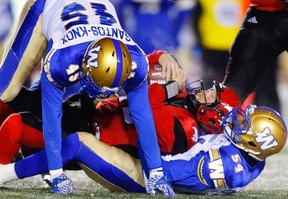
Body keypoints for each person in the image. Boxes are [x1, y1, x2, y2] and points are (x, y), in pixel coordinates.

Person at [0, 0, 175, 196]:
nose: (105, 94)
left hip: (91, 3)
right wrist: (56, 172)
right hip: (48, 6)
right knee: (6, 91)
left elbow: (143, 116)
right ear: (85, 66)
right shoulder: (61, 61)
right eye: (100, 84)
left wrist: (155, 171)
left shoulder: (136, 63)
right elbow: (52, 115)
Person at [0, 105, 286, 195]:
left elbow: (162, 172)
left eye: (243, 124)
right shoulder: (252, 157)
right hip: (164, 168)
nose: (236, 121)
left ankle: (6, 173)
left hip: (145, 176)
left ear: (251, 142)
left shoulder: (220, 164)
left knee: (79, 142)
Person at [169, 0, 288, 115]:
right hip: (256, 22)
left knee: (262, 86)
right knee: (232, 90)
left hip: (262, 21)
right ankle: (219, 128)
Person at [190, 0, 247, 84]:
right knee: (210, 85)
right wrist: (199, 43)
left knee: (232, 85)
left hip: (233, 48)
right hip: (211, 48)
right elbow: (195, 21)